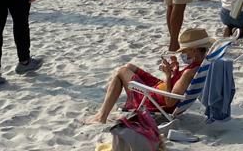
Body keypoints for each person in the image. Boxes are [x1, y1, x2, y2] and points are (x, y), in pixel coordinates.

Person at [85, 26, 214, 124]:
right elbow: (179, 87)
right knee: (129, 67)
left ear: (194, 50)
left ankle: (101, 116)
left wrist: (168, 76)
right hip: (159, 89)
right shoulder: (201, 64)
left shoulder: (188, 73)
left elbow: (169, 102)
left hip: (155, 99)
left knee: (121, 72)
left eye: (184, 51)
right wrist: (175, 71)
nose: (183, 55)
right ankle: (106, 109)